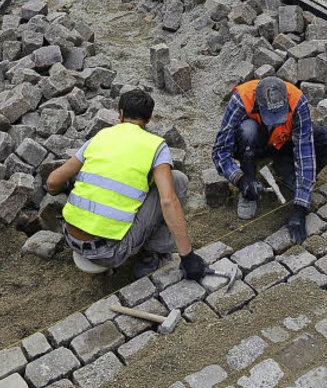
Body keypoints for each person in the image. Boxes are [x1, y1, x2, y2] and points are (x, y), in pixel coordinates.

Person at [46, 88, 207, 280]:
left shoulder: (102, 136)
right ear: (148, 120)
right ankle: (150, 257)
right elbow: (167, 201)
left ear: (120, 114)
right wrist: (188, 257)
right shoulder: (155, 145)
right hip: (108, 252)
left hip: (70, 237)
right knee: (177, 179)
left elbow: (53, 181)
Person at [212, 76, 327, 244]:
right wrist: (240, 179)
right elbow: (220, 151)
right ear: (259, 106)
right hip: (253, 145)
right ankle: (249, 189)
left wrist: (300, 208)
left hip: (283, 143)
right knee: (248, 130)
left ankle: (287, 171)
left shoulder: (297, 101)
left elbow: (305, 153)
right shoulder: (241, 99)